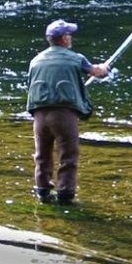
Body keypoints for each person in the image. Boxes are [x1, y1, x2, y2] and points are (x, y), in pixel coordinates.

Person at [26, 19, 110, 205]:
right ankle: (65, 194)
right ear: (63, 39)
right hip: (63, 115)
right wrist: (105, 68)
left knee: (42, 155)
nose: (70, 38)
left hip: (39, 115)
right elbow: (96, 72)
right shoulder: (75, 58)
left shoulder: (35, 61)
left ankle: (43, 192)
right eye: (69, 35)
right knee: (68, 155)